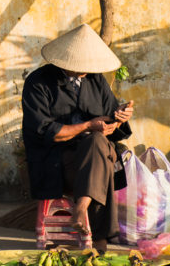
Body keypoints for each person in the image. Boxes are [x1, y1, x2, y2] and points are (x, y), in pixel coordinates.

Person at [21, 23, 134, 252]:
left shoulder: (95, 80)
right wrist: (88, 126)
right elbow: (46, 131)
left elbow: (110, 120)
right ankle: (99, 238)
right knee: (98, 152)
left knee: (98, 143)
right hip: (57, 163)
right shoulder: (38, 83)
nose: (86, 70)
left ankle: (81, 206)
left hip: (95, 156)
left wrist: (120, 117)